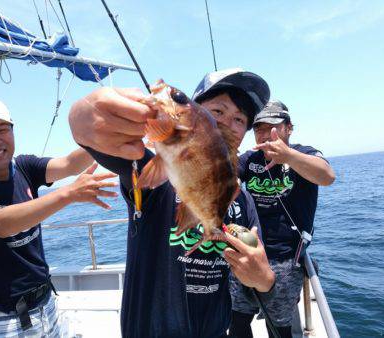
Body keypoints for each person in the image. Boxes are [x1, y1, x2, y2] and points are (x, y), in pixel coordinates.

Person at [69, 68, 276, 338]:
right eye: (218, 111)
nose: (228, 123)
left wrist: (264, 281)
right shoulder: (154, 178)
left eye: (239, 119)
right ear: (197, 113)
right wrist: (82, 119)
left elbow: (260, 287)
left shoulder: (243, 200)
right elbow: (107, 147)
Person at [0, 94, 118, 337]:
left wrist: (106, 135)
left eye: (3, 129)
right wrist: (69, 193)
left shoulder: (25, 167)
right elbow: (0, 222)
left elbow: (70, 164)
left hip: (47, 305)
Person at [231, 100, 335, 338]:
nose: (265, 134)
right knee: (237, 321)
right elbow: (230, 174)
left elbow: (327, 176)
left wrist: (289, 157)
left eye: (272, 127)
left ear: (289, 128)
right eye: (259, 129)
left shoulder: (305, 154)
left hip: (286, 260)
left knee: (278, 327)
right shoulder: (250, 159)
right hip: (248, 254)